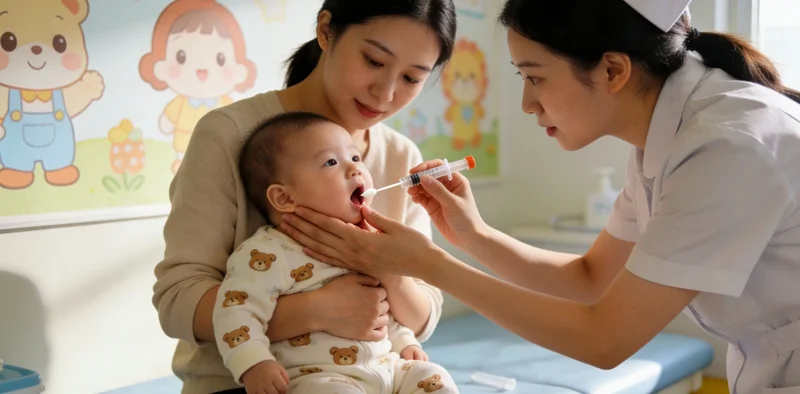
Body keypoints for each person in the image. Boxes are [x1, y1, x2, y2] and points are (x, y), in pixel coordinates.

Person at [277, 0, 800, 393]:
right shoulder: (665, 140)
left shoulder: (726, 145)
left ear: (613, 70)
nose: (527, 103)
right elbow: (592, 279)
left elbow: (603, 339)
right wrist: (474, 235)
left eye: (535, 77)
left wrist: (431, 264)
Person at [151, 1, 457, 392]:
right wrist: (316, 310)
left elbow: (422, 317)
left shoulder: (401, 157)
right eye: (373, 61)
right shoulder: (229, 134)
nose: (386, 93)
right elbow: (178, 302)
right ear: (326, 30)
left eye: (412, 78)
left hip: (378, 376)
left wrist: (390, 271)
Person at [213, 112, 457, 394]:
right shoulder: (268, 252)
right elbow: (235, 312)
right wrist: (253, 364)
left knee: (432, 376)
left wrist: (405, 343)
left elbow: (381, 309)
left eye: (355, 158)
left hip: (387, 369)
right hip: (318, 378)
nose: (355, 170)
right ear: (284, 198)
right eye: (331, 162)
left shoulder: (369, 243)